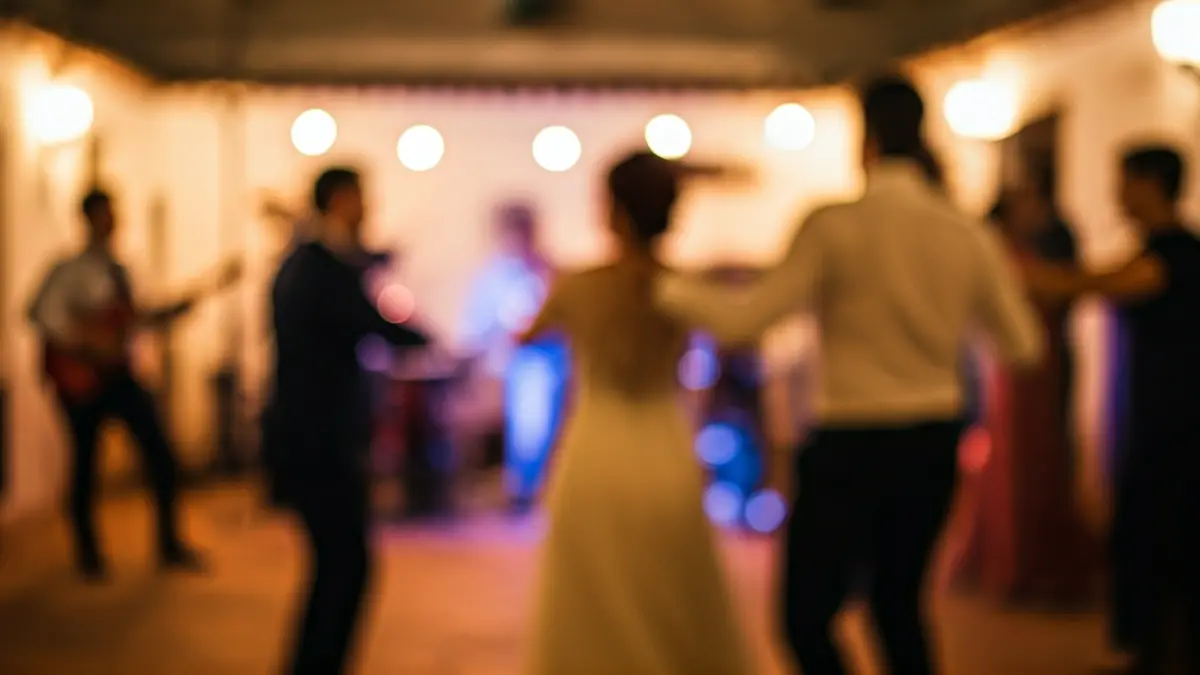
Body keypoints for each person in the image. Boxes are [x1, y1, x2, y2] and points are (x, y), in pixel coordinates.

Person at [655, 74, 1044, 675]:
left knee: (806, 617)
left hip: (849, 444)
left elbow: (746, 321)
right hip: (933, 441)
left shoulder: (834, 224)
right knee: (900, 606)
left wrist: (664, 287)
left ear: (864, 140)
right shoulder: (965, 233)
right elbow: (1021, 346)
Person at [524, 151, 749, 674]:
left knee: (592, 588)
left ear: (611, 209)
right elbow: (739, 330)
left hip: (596, 449)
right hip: (663, 446)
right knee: (668, 582)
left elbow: (527, 336)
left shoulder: (578, 284)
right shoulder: (681, 286)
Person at [1020, 144, 1200, 675]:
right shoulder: (1163, 249)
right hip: (1162, 417)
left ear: (1149, 184)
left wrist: (1013, 265)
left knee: (1166, 533)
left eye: (1124, 180)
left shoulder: (1175, 254)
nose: (1116, 193)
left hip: (1177, 424)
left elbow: (1090, 283)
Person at [263, 167, 429, 675]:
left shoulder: (313, 264)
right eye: (362, 198)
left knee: (338, 566)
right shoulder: (319, 267)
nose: (369, 208)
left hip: (313, 437)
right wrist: (432, 342)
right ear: (339, 200)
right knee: (344, 565)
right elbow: (370, 322)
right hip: (318, 442)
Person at [27, 188, 214, 582]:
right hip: (80, 377)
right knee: (85, 465)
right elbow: (39, 313)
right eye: (105, 214)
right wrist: (85, 341)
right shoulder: (68, 270)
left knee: (161, 455)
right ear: (89, 218)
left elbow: (135, 320)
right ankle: (89, 555)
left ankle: (168, 543)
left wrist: (178, 309)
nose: (112, 221)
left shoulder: (122, 269)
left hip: (118, 374)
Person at [957, 181, 1099, 605]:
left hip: (1038, 367)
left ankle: (1030, 561)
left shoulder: (1043, 251)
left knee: (1039, 457)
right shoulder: (1008, 253)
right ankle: (1018, 561)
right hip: (1016, 369)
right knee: (1018, 459)